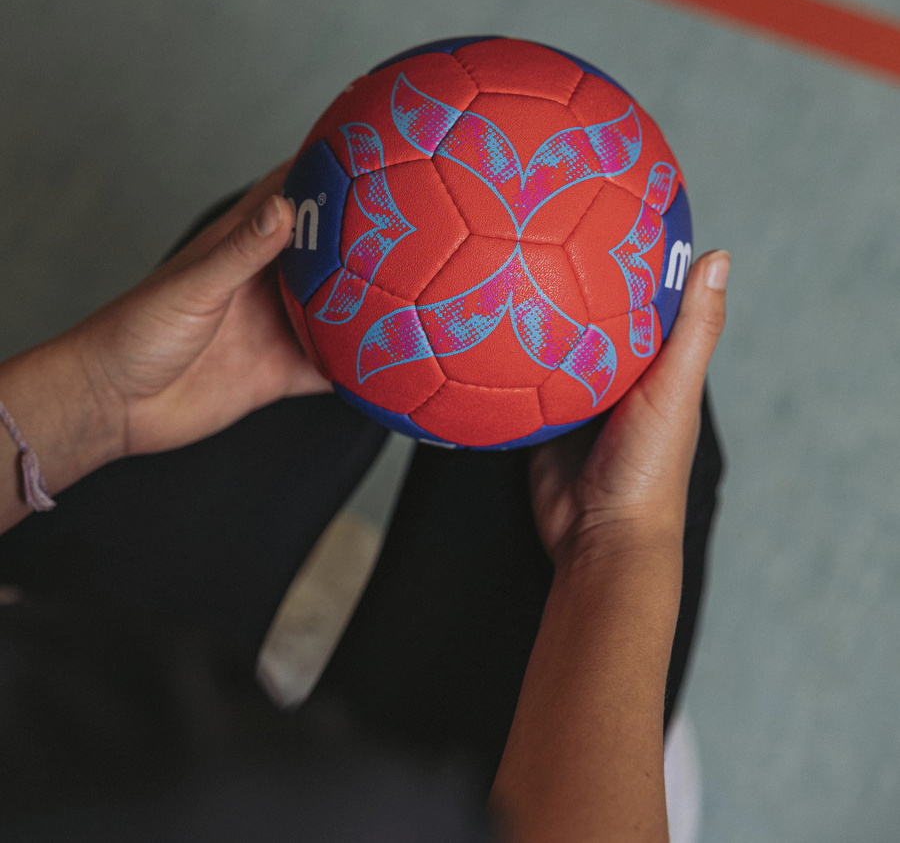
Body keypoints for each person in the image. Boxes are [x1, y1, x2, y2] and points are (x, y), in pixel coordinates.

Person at [0, 161, 727, 840]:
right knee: (624, 427)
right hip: (411, 808)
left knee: (302, 283)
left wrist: (96, 398)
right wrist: (618, 545)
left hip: (64, 696)